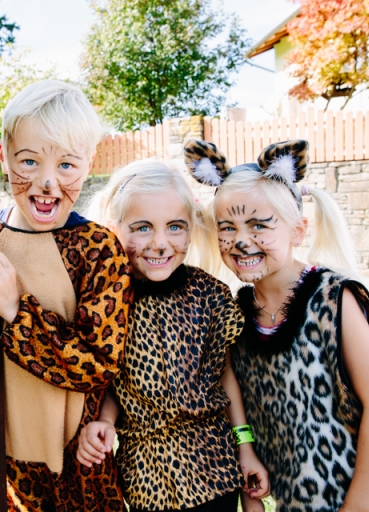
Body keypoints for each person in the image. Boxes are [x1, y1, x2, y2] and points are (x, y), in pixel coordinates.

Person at [185, 138, 369, 511]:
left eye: (258, 225)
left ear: (298, 231)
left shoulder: (334, 297)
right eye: (227, 227)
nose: (240, 240)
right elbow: (236, 402)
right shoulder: (236, 312)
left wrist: (357, 508)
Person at [76, 159, 271, 512]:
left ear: (192, 228)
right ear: (113, 228)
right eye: (142, 228)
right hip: (146, 475)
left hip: (212, 466)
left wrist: (245, 446)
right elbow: (115, 381)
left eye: (175, 227)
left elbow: (225, 376)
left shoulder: (210, 295)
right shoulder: (109, 302)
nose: (161, 243)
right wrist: (105, 421)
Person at [0, 80, 132, 511]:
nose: (47, 183)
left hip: (74, 471)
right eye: (29, 161)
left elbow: (98, 363)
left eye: (66, 166)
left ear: (89, 163)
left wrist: (15, 313)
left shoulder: (98, 248)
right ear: (4, 155)